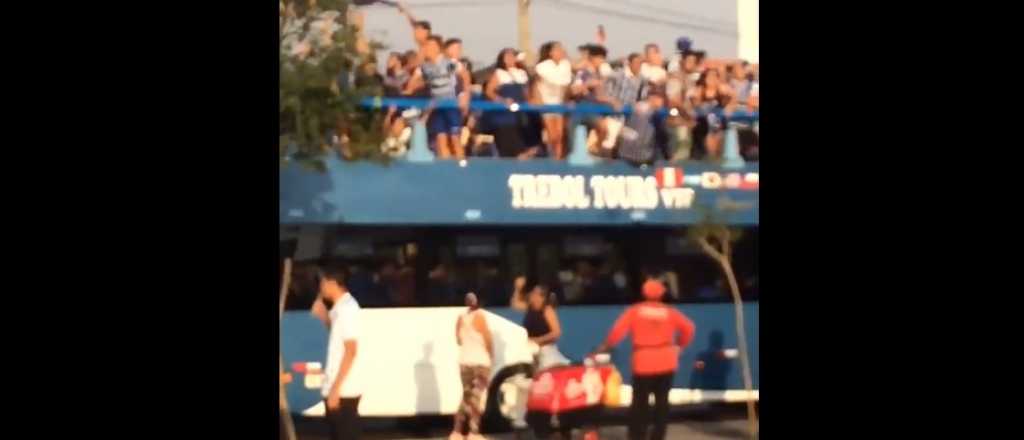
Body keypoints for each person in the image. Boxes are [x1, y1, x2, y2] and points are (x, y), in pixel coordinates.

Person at [591, 280, 695, 440]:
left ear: (643, 293)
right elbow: (689, 328)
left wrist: (604, 346)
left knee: (640, 405)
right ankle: (657, 436)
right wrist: (679, 346)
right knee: (662, 404)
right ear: (661, 294)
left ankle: (637, 436)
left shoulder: (635, 311)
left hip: (643, 363)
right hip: (666, 361)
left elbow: (617, 332)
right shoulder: (670, 312)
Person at [317, 266, 366, 440]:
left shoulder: (347, 309)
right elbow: (317, 315)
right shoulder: (339, 308)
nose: (320, 287)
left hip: (345, 389)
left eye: (322, 282)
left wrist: (335, 389)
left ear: (332, 283)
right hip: (337, 386)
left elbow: (351, 351)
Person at [404, 35, 465, 159]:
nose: (427, 49)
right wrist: (413, 87)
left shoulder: (448, 63)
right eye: (426, 46)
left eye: (431, 46)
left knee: (454, 138)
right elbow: (412, 84)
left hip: (450, 103)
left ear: (438, 48)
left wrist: (464, 95)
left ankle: (462, 168)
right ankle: (447, 169)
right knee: (440, 139)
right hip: (436, 105)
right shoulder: (425, 66)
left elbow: (464, 75)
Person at [451, 293, 494, 440]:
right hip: (480, 362)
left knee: (466, 397)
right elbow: (488, 340)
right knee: (476, 398)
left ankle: (456, 432)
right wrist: (491, 356)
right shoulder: (481, 316)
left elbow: (458, 340)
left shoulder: (461, 317)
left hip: (464, 362)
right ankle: (473, 433)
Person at [484, 48, 533, 158]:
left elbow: (527, 92)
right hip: (504, 115)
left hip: (520, 114)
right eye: (507, 57)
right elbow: (489, 91)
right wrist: (502, 100)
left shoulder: (522, 73)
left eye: (512, 56)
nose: (510, 59)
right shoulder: (499, 73)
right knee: (507, 145)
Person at [534, 41, 573, 159]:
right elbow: (537, 85)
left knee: (560, 135)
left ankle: (559, 158)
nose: (561, 52)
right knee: (552, 135)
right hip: (546, 103)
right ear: (550, 53)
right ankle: (553, 158)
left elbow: (565, 85)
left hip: (559, 104)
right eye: (558, 50)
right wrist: (539, 101)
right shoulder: (542, 67)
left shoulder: (565, 66)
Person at [523, 284, 570, 369]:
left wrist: (538, 340)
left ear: (542, 297)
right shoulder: (529, 309)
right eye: (533, 292)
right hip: (530, 351)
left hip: (547, 351)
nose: (532, 295)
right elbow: (515, 303)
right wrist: (517, 289)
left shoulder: (547, 310)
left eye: (536, 293)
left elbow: (556, 333)